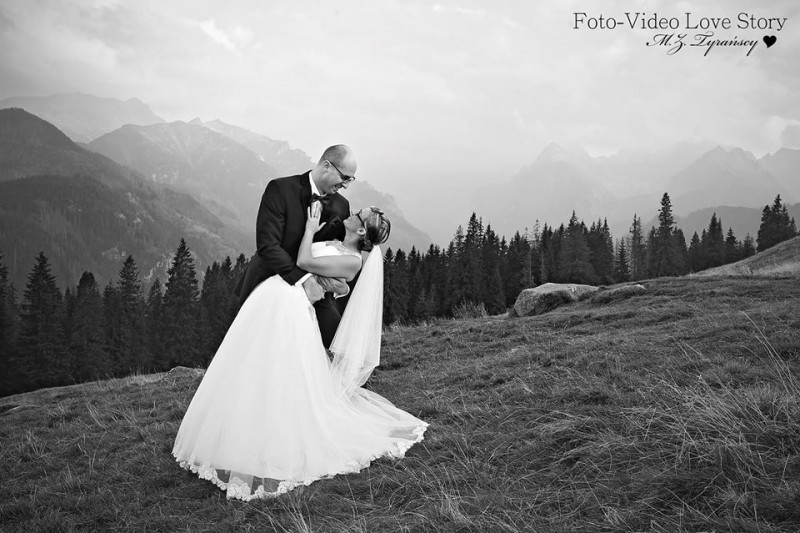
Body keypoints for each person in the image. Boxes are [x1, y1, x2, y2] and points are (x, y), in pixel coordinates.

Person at [173, 205, 428, 500]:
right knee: (253, 362)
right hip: (275, 293)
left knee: (280, 367)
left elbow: (304, 260)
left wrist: (309, 230)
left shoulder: (352, 260)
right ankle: (238, 429)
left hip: (290, 304)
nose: (351, 214)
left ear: (360, 230)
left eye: (358, 215)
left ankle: (270, 439)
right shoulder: (336, 243)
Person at [234, 144, 355, 348]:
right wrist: (305, 280)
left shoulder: (342, 206)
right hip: (267, 283)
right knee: (255, 347)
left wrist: (339, 285)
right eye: (344, 178)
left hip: (317, 292)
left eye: (350, 180)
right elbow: (268, 246)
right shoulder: (280, 189)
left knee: (337, 342)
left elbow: (339, 252)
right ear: (327, 166)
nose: (346, 186)